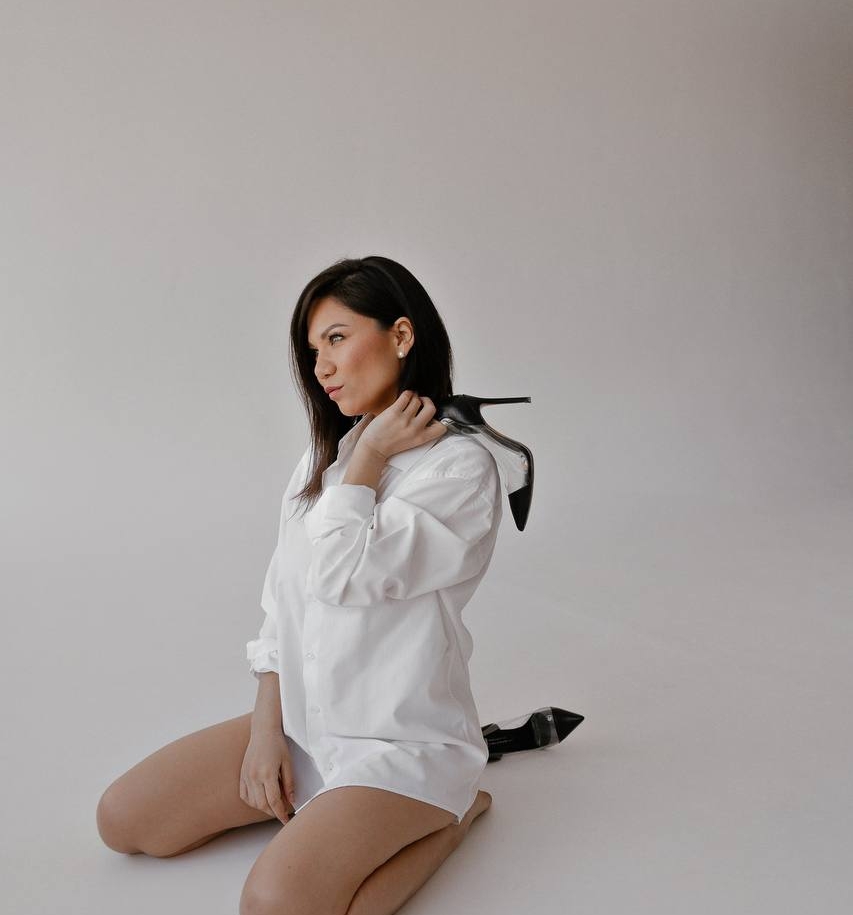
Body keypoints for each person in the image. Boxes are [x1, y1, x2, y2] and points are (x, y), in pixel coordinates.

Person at [96, 255, 504, 915]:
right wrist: (266, 732)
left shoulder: (459, 471)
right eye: (313, 350)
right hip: (307, 725)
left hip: (400, 744)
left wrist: (370, 457)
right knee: (123, 821)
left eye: (337, 338)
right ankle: (328, 812)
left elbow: (345, 576)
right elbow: (282, 604)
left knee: (275, 905)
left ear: (401, 335)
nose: (321, 366)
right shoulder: (325, 459)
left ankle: (456, 813)